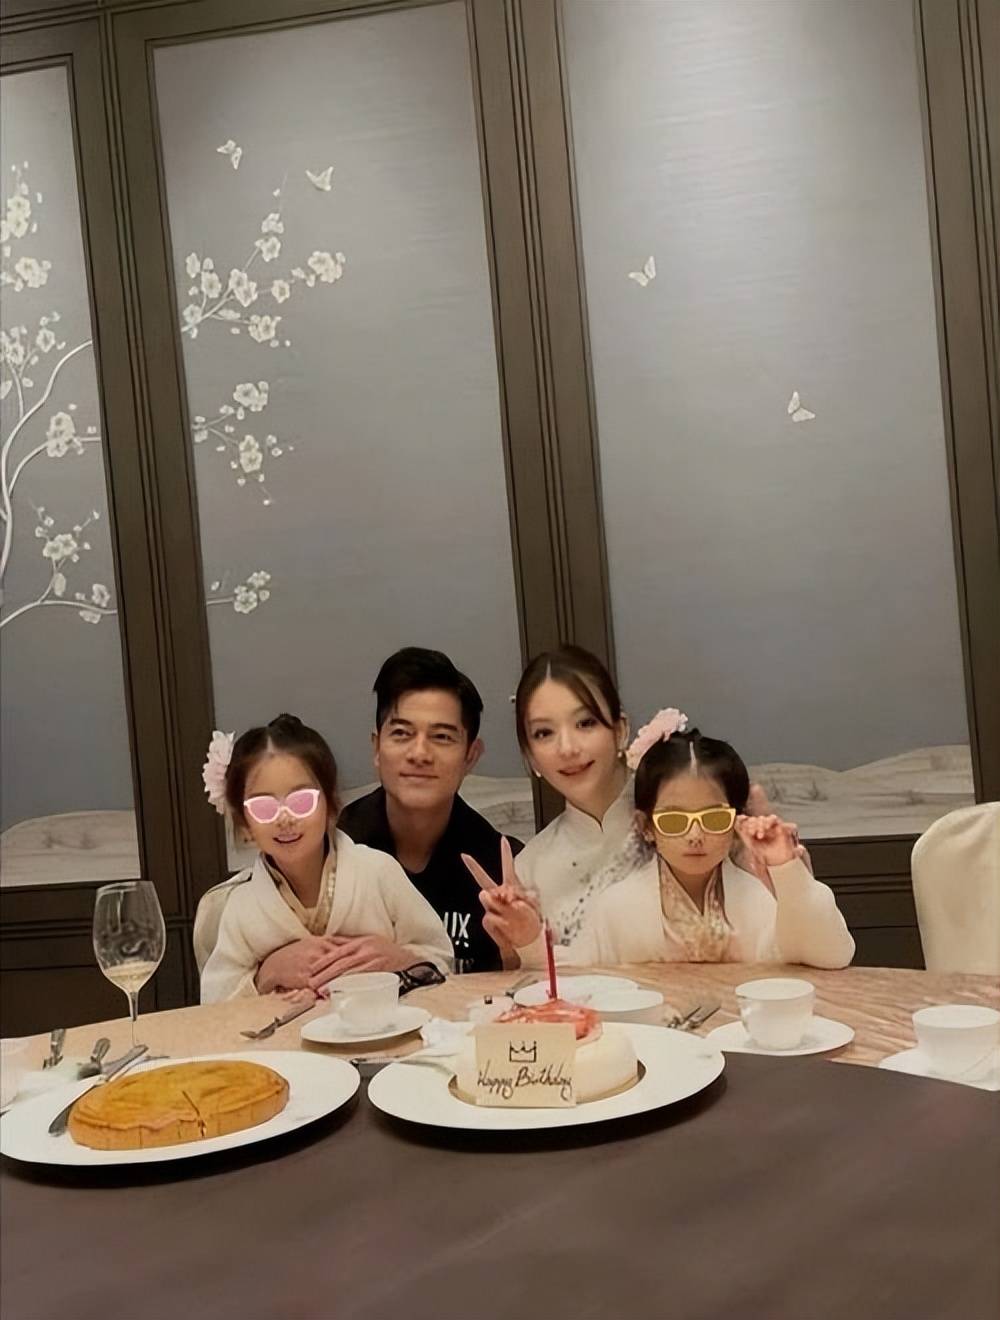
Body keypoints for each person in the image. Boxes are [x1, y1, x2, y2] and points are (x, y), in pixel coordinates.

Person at [466, 719, 854, 969]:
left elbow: (830, 955)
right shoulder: (617, 906)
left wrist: (786, 870)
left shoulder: (759, 899)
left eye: (714, 818)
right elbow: (578, 983)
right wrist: (530, 940)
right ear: (646, 826)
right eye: (673, 820)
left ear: (737, 821)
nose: (695, 835)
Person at [197, 714, 452, 1003]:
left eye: (301, 801)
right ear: (244, 824)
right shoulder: (241, 907)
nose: (285, 819)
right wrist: (266, 975)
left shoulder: (377, 872)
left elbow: (442, 959)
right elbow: (216, 1001)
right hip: (287, 1032)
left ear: (331, 804)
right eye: (264, 807)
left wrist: (400, 959)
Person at [338, 648, 524, 973]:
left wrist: (518, 950)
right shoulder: (333, 849)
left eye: (441, 737)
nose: (420, 753)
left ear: (470, 756)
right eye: (401, 733)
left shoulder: (500, 868)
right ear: (377, 748)